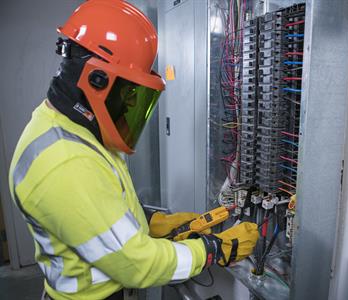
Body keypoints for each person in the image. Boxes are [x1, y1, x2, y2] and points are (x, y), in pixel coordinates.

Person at [8, 1, 259, 299]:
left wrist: (149, 221)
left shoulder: (73, 126)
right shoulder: (66, 161)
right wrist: (215, 250)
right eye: (127, 91)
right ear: (96, 80)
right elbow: (137, 264)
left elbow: (100, 208)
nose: (129, 103)